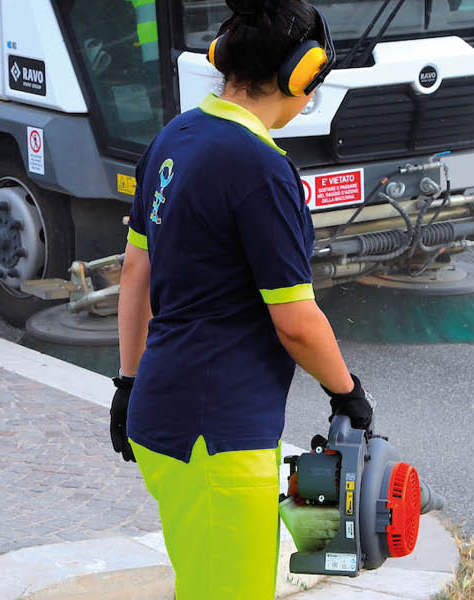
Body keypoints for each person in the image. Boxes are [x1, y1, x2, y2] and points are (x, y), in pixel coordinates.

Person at [110, 0, 374, 597]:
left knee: (202, 581)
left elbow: (135, 270)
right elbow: (296, 323)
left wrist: (128, 383)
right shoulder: (262, 169)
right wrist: (348, 392)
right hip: (220, 439)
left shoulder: (174, 137)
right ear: (302, 75)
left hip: (161, 419)